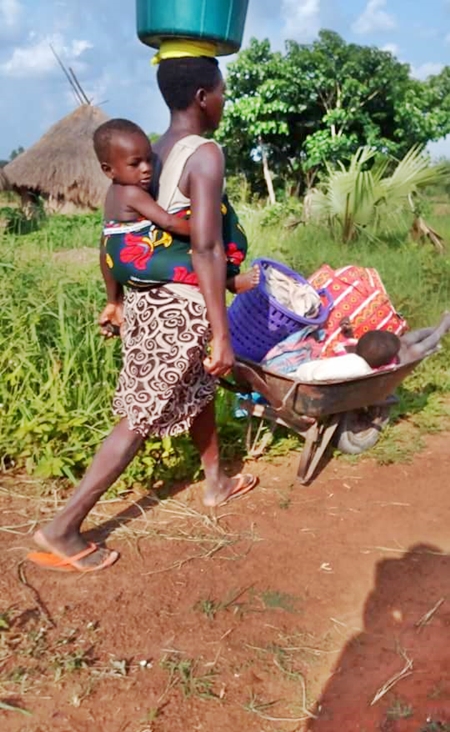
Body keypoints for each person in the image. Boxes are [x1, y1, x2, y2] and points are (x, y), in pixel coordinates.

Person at [28, 51, 257, 572]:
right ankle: (63, 528)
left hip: (146, 300)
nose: (223, 101)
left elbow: (112, 237)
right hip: (180, 307)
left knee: (196, 386)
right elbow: (205, 247)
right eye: (221, 92)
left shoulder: (149, 152)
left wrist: (114, 299)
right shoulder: (204, 155)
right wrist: (221, 333)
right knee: (141, 413)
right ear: (202, 97)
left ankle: (216, 481)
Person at [92, 118, 258, 299]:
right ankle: (229, 282)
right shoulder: (132, 193)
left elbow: (105, 239)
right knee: (196, 262)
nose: (146, 168)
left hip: (118, 264)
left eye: (148, 160)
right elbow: (168, 222)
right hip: (136, 261)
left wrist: (113, 299)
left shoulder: (113, 194)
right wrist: (203, 230)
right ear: (108, 170)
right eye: (135, 164)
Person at [293, 313, 450, 382]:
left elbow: (347, 344)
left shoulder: (352, 355)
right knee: (419, 344)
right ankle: (443, 326)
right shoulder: (376, 370)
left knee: (415, 338)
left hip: (391, 348)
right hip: (402, 356)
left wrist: (348, 331)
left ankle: (440, 328)